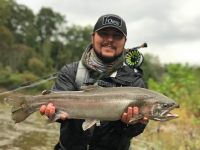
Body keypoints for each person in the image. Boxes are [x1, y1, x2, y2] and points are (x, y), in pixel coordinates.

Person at [40, 14, 148, 150]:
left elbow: (134, 131)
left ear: (124, 41)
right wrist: (54, 114)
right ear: (93, 37)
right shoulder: (70, 72)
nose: (110, 39)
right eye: (104, 33)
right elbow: (58, 113)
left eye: (117, 36)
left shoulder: (134, 82)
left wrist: (129, 123)